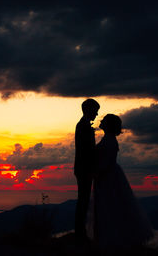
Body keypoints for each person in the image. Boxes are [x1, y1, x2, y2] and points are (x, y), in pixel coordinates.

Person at [90, 114, 154, 251]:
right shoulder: (108, 138)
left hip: (108, 177)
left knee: (110, 206)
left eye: (104, 120)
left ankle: (112, 241)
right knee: (110, 206)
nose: (101, 121)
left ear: (109, 124)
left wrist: (97, 173)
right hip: (108, 175)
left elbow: (107, 162)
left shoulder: (110, 140)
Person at [74, 98, 100, 243]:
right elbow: (86, 150)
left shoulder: (83, 125)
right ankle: (80, 232)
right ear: (88, 110)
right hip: (84, 168)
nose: (96, 115)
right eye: (95, 111)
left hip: (83, 168)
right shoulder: (83, 126)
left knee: (83, 199)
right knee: (83, 200)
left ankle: (80, 231)